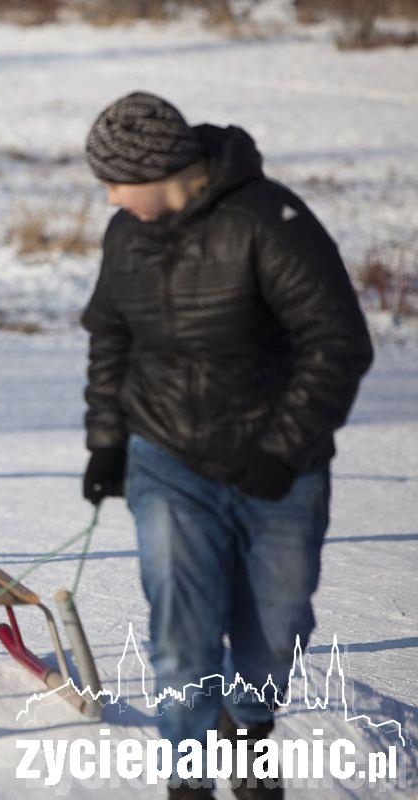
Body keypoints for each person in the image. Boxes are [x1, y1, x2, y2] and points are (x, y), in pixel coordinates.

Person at [80, 92, 373, 799]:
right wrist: (108, 443)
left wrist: (283, 448)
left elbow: (338, 343)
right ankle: (187, 776)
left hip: (278, 467)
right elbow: (110, 338)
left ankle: (249, 729)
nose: (112, 196)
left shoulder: (270, 221)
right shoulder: (125, 234)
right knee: (182, 627)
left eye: (118, 181)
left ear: (164, 169)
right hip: (167, 457)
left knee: (275, 625)